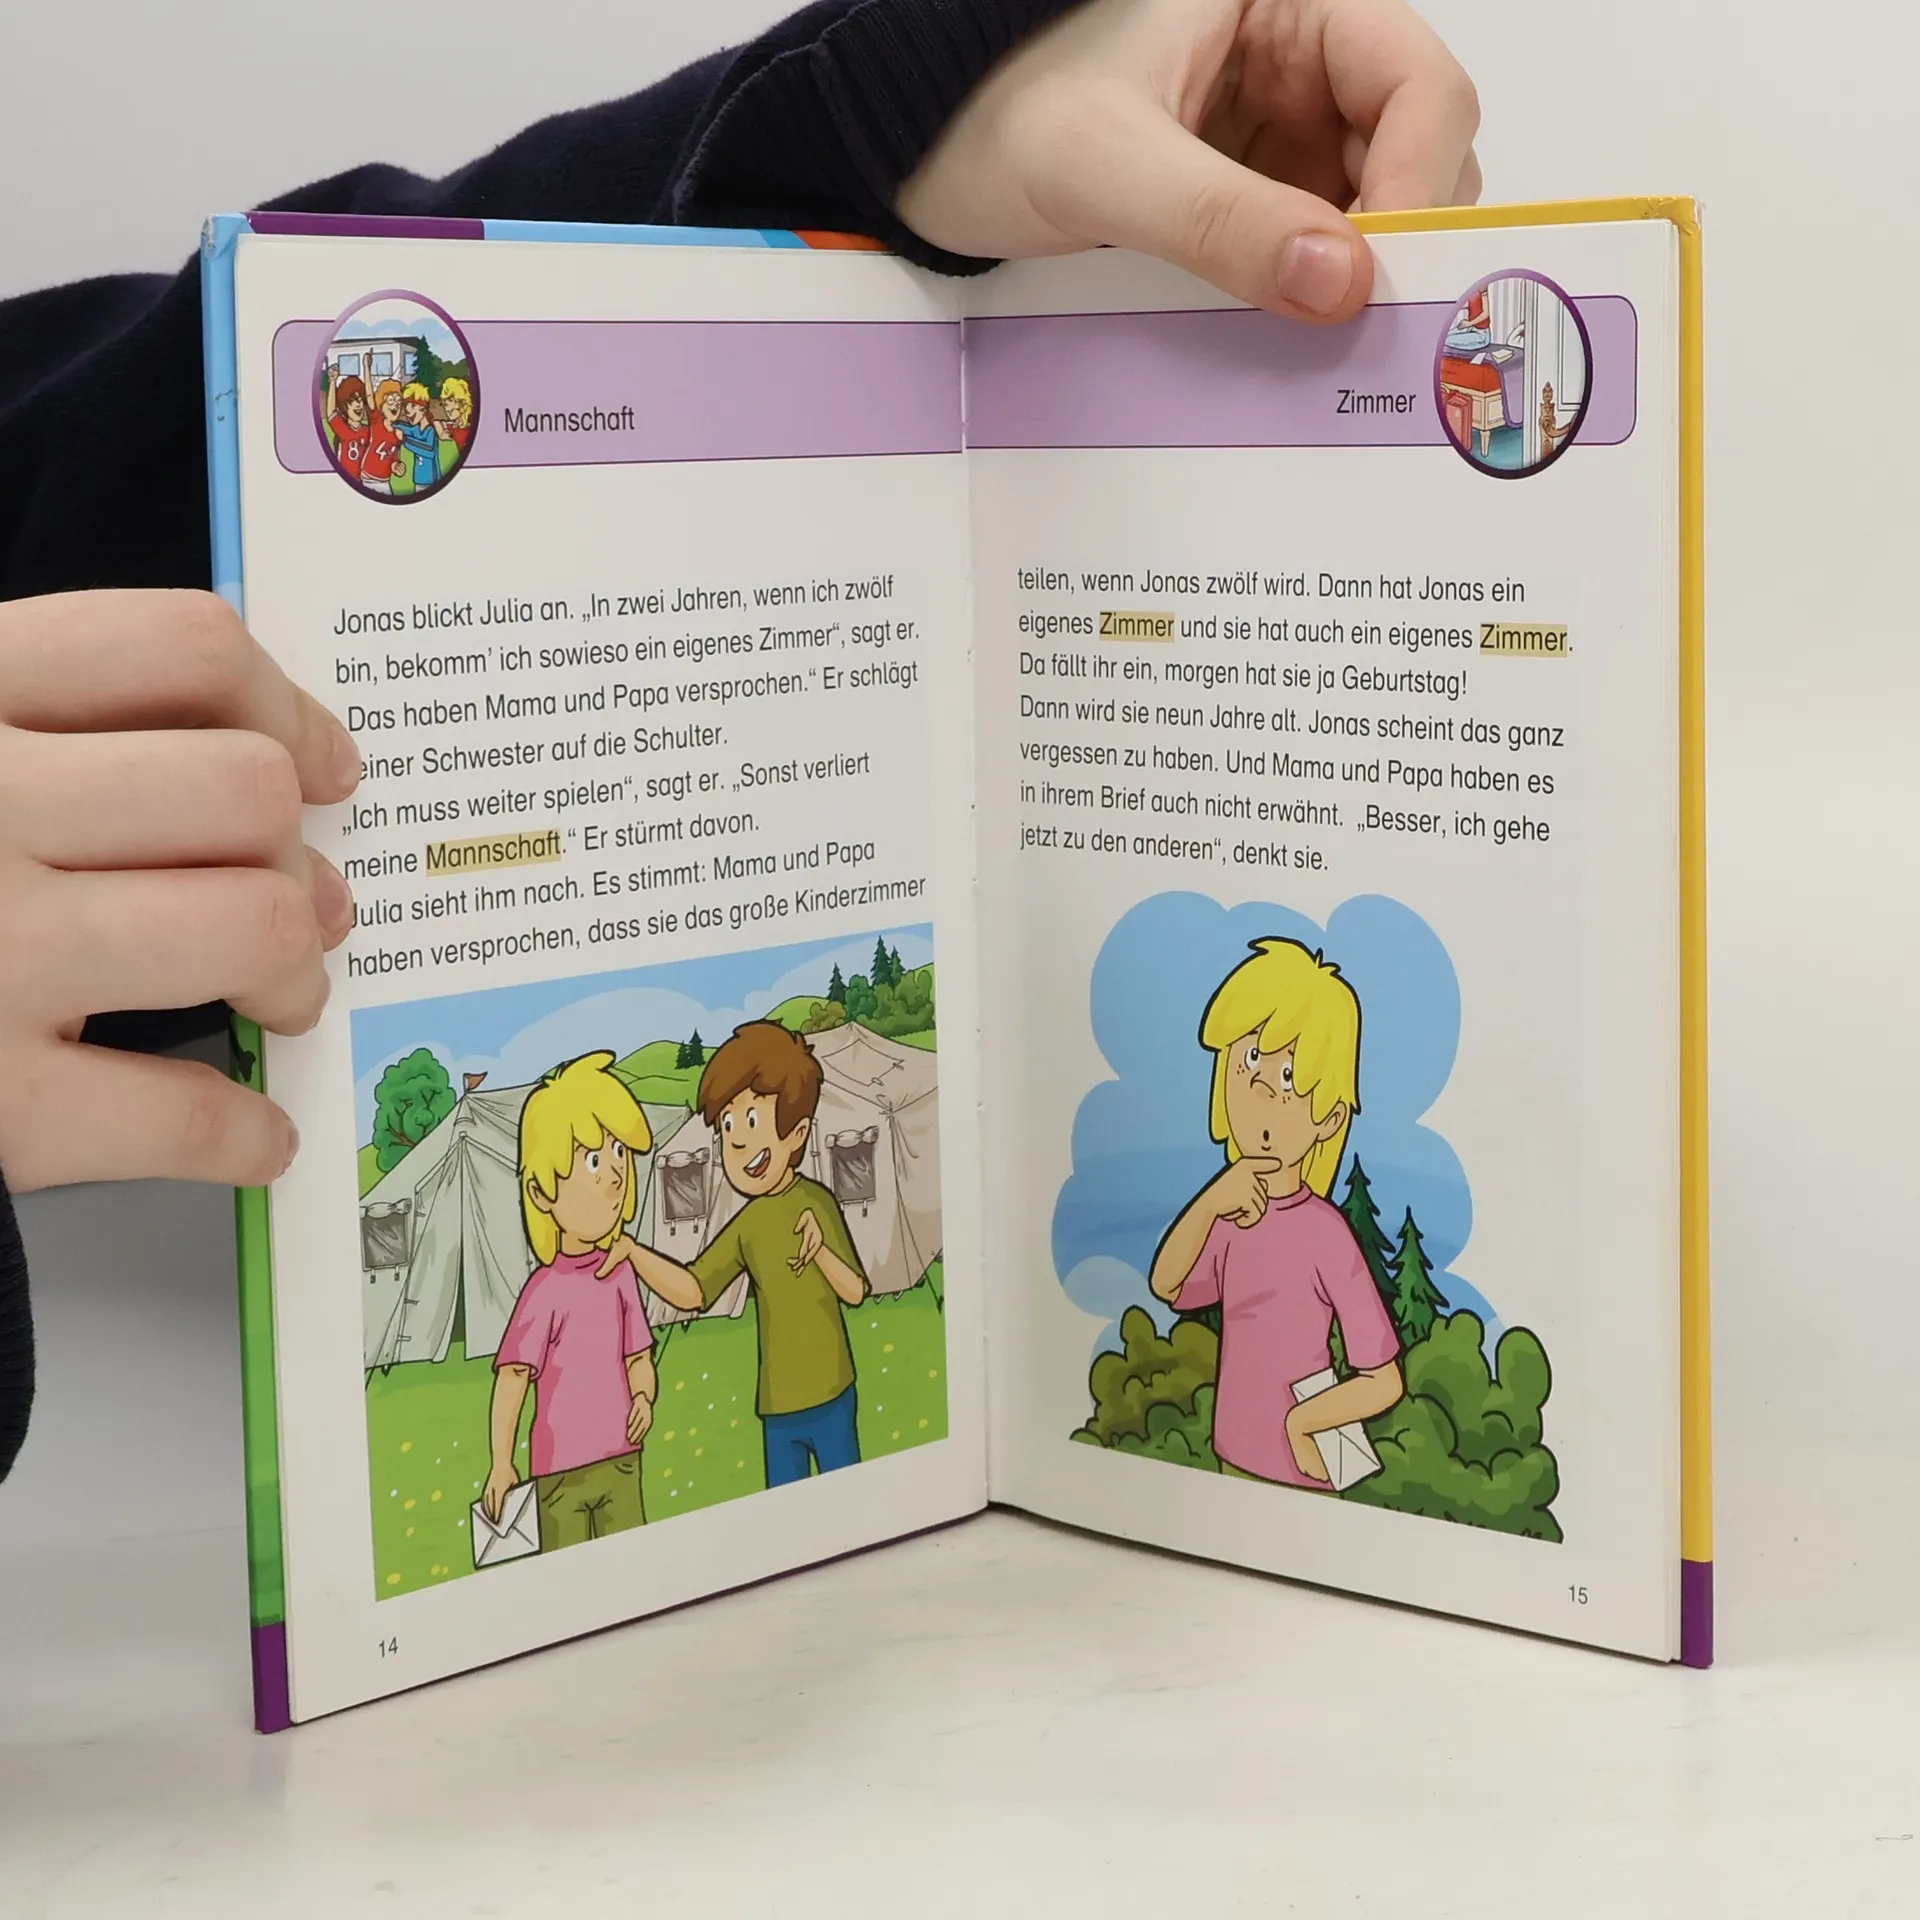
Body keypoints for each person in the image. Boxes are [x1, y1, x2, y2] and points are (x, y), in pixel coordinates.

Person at [0, 0, 1481, 1481]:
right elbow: (1107, 1280)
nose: (746, 1157)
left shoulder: (871, 1210)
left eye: (1278, 1088)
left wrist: (887, 109)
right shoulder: (616, 1263)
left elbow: (116, 444)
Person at [1149, 938, 1403, 1487]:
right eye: (1247, 1064)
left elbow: (1383, 1380)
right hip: (1229, 1457)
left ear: (1329, 1119)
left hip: (1300, 1475)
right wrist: (1210, 1202)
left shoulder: (1325, 1234)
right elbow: (1167, 1285)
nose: (1261, 1090)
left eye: (1289, 1078)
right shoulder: (1231, 1213)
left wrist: (1302, 1422)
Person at [610, 1023, 871, 1487]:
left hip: (832, 1392)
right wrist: (633, 1251)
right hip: (776, 1407)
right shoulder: (749, 1224)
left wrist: (822, 1252)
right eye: (728, 1126)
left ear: (798, 1133)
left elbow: (854, 1292)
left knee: (847, 1494)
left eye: (752, 1121)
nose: (738, 1141)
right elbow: (695, 1290)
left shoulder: (816, 1202)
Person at [481, 1053, 659, 1553]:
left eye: (619, 1153)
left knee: (631, 1559)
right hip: (558, 1472)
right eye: (593, 1161)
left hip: (621, 1459)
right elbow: (513, 1377)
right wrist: (501, 1462)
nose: (614, 1175)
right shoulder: (545, 1291)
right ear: (541, 1193)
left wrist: (644, 1397)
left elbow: (638, 1356)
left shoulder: (619, 1272)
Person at [323, 368, 373, 483]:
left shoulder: (368, 430)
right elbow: (331, 412)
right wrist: (332, 381)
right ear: (345, 406)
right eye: (352, 401)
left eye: (360, 400)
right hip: (345, 480)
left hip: (363, 481)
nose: (358, 404)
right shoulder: (343, 429)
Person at [395, 381, 444, 492]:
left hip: (432, 481)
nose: (407, 410)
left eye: (413, 405)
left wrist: (404, 439)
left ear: (423, 409)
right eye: (406, 405)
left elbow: (428, 450)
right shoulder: (415, 429)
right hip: (418, 480)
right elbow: (401, 426)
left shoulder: (430, 430)